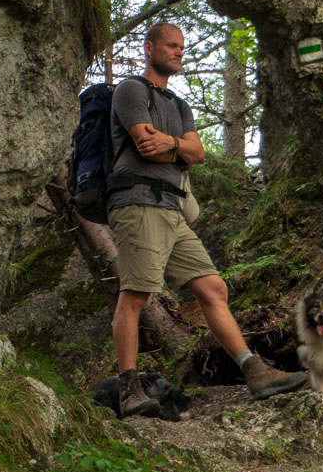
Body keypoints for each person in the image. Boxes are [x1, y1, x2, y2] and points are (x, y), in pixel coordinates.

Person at [107, 21, 306, 418]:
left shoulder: (179, 105)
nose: (179, 52)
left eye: (182, 46)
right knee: (137, 295)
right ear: (149, 48)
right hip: (139, 202)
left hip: (173, 209)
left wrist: (174, 145)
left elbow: (197, 154)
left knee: (214, 288)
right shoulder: (130, 90)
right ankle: (128, 390)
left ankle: (255, 371)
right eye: (170, 46)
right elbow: (147, 146)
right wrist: (174, 147)